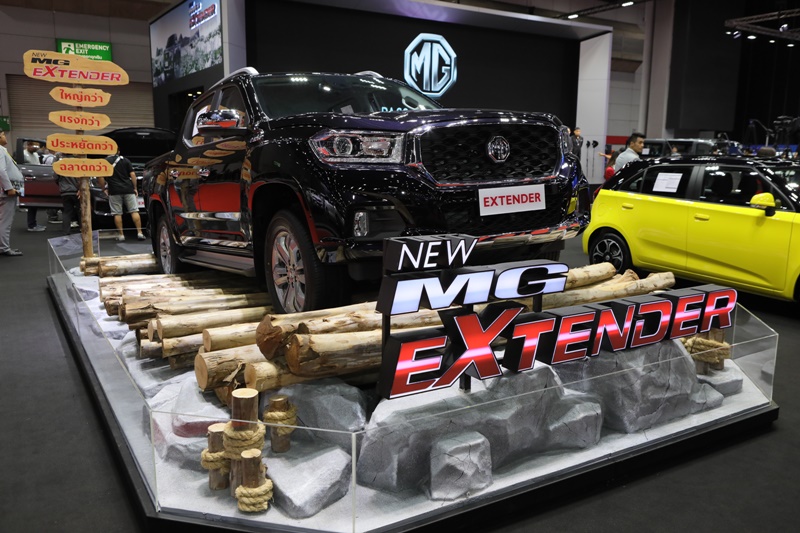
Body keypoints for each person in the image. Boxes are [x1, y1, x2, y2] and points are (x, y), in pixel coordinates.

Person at [98, 151, 145, 241]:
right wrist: (134, 187)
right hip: (128, 189)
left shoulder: (104, 162)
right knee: (134, 211)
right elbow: (132, 174)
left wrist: (103, 188)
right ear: (118, 151)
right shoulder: (125, 160)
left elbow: (100, 177)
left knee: (117, 213)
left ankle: (121, 235)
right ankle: (140, 233)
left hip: (114, 190)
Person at [0, 129, 24, 256]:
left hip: (4, 190)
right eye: (3, 134)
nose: (5, 136)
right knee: (5, 221)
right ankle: (3, 247)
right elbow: (1, 170)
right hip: (5, 191)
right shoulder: (0, 150)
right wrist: (9, 188)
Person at [21, 141, 47, 231]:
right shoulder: (24, 155)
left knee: (34, 203)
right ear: (28, 145)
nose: (36, 148)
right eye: (35, 146)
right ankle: (31, 225)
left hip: (36, 181)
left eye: (37, 146)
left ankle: (33, 224)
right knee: (31, 203)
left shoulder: (35, 154)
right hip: (28, 181)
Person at [53, 154, 81, 235]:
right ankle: (83, 229)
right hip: (77, 191)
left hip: (65, 191)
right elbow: (81, 177)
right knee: (80, 211)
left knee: (67, 212)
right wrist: (80, 189)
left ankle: (66, 231)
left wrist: (61, 185)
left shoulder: (60, 163)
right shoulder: (77, 161)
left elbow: (55, 177)